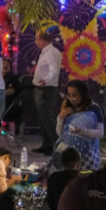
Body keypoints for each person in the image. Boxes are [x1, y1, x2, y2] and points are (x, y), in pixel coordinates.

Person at [29, 146, 82, 210]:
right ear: (78, 164)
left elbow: (50, 200)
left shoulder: (54, 177)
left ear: (62, 163)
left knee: (44, 205)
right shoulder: (83, 178)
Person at [53, 79, 103, 170]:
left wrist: (83, 131)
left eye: (76, 95)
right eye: (69, 95)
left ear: (83, 93)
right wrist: (60, 117)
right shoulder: (67, 107)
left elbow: (100, 132)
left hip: (87, 156)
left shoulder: (94, 108)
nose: (73, 98)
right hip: (67, 155)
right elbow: (60, 134)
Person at [32, 27, 63, 155]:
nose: (35, 42)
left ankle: (54, 145)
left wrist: (45, 79)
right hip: (40, 88)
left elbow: (54, 70)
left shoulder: (51, 52)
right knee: (42, 118)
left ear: (42, 40)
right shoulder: (45, 52)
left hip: (46, 89)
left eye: (37, 39)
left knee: (48, 119)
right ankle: (46, 144)